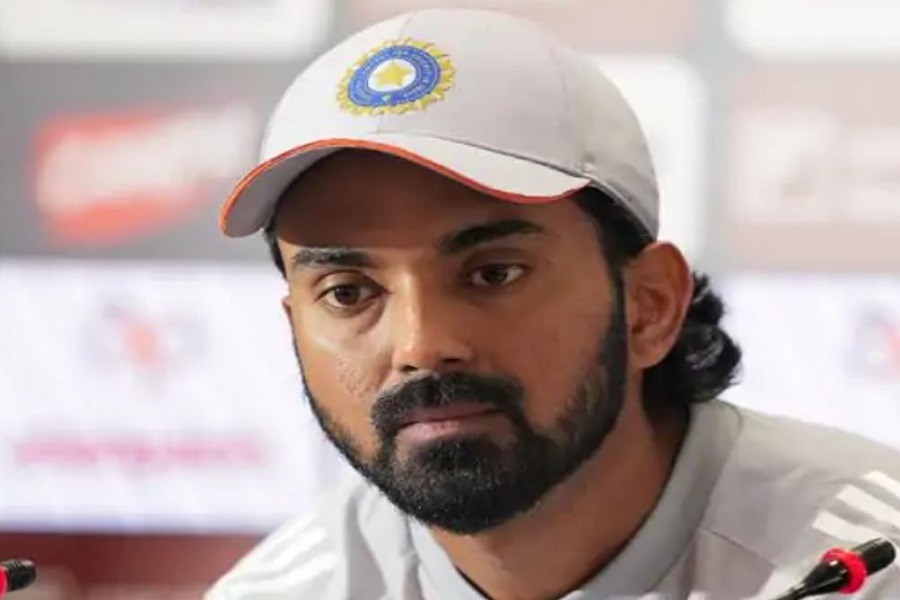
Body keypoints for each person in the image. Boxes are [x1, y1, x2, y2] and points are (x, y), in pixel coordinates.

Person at [206, 8, 900, 600]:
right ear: (295, 327)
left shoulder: (872, 565)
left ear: (650, 305)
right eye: (348, 293)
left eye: (493, 274)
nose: (420, 344)